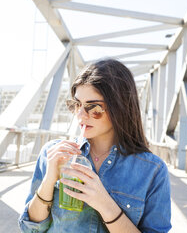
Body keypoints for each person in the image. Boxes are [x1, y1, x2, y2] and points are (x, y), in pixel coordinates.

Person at [18, 59, 171, 232]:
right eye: (77, 105)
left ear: (120, 107)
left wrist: (105, 204)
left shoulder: (153, 171)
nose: (81, 115)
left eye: (94, 108)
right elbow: (29, 229)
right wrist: (48, 182)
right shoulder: (52, 153)